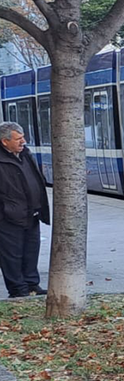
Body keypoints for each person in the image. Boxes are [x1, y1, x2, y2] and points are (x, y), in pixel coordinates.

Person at [0, 121, 48, 297]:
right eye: (18, 139)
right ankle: (17, 290)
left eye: (23, 137)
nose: (23, 142)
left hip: (31, 213)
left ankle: (31, 284)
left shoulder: (25, 154)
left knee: (31, 251)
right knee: (12, 256)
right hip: (8, 218)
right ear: (4, 141)